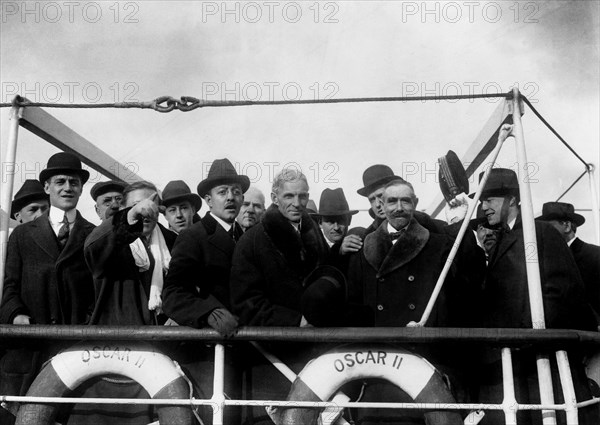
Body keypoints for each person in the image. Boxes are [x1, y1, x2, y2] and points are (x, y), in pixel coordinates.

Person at [346, 178, 483, 425]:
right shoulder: (363, 251)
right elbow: (354, 308)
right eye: (391, 201)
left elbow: (470, 282)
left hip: (428, 361)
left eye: (405, 201)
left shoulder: (439, 244)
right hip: (379, 365)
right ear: (381, 205)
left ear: (415, 204)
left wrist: (460, 225)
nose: (399, 207)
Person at [475, 168, 598, 424]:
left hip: (541, 357)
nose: (483, 207)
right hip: (514, 360)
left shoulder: (540, 233)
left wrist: (529, 333)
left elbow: (563, 291)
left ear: (511, 199)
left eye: (489, 200)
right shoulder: (502, 239)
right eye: (481, 201)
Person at [0, 152, 95, 425]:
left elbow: (98, 291)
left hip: (74, 349)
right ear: (47, 187)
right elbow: (9, 286)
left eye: (74, 182)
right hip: (28, 349)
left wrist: (86, 325)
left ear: (81, 188)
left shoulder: (93, 234)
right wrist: (16, 315)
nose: (68, 188)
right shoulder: (22, 235)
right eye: (60, 181)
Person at [230, 168, 329, 424]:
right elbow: (246, 304)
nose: (297, 204)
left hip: (317, 354)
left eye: (303, 196)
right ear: (275, 197)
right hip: (271, 359)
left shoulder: (315, 234)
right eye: (289, 196)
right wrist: (297, 321)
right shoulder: (252, 241)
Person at [75, 180, 177, 425]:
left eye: (151, 204)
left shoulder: (175, 243)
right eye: (136, 206)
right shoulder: (110, 242)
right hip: (114, 353)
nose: (145, 210)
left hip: (165, 352)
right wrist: (130, 216)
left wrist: (181, 314)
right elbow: (93, 250)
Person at [162, 158, 249, 425]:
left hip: (244, 347)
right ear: (209, 201)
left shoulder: (247, 236)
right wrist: (208, 310)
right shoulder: (194, 236)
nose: (231, 198)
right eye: (222, 192)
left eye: (236, 191)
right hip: (205, 353)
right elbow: (173, 293)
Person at [537, 201, 600, 325]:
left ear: (566, 226)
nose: (543, 232)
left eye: (549, 227)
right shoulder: (546, 258)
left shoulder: (594, 255)